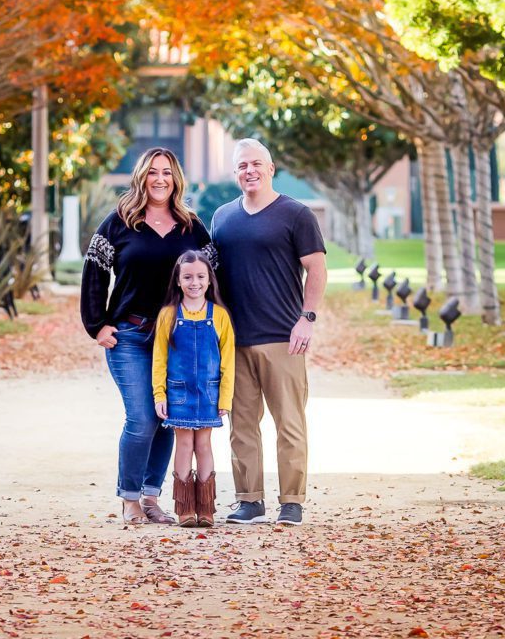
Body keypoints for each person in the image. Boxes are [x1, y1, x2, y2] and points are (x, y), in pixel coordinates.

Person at [80, 148, 217, 526]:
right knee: (141, 418)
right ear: (141, 177)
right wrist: (97, 324)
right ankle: (129, 498)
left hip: (178, 338)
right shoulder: (119, 222)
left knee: (168, 418)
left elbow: (211, 279)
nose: (160, 179)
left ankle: (152, 497)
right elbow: (94, 272)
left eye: (167, 173)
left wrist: (211, 328)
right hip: (130, 335)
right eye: (153, 172)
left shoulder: (191, 226)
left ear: (176, 179)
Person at [211, 138, 327, 527]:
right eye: (242, 165)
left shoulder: (296, 214)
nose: (250, 171)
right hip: (236, 340)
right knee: (241, 426)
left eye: (256, 164)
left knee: (289, 423)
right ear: (235, 173)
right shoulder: (222, 218)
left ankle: (291, 501)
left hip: (283, 337)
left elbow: (316, 268)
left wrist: (306, 319)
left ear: (271, 168)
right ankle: (250, 500)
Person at [152, 250, 235, 527]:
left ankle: (206, 508)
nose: (194, 282)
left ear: (209, 280)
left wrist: (225, 397)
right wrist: (159, 394)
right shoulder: (168, 315)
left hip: (209, 393)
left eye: (200, 276)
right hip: (179, 392)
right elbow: (159, 358)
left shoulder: (220, 316)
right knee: (184, 444)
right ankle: (186, 508)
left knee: (204, 445)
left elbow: (229, 361)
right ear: (177, 280)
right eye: (187, 277)